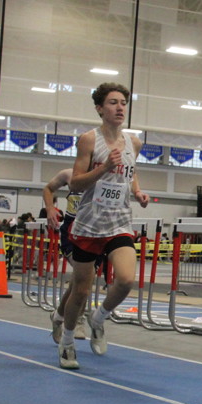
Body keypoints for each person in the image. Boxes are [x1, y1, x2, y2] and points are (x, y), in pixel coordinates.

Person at [58, 82, 150, 369]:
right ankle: (67, 342)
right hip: (89, 224)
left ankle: (98, 320)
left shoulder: (134, 142)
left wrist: (137, 191)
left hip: (119, 222)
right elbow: (75, 183)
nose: (120, 107)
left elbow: (131, 173)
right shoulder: (88, 140)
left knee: (125, 280)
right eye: (113, 102)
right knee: (81, 291)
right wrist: (104, 168)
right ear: (100, 108)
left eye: (123, 102)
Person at [43, 167, 99, 343]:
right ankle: (78, 319)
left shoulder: (105, 174)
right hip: (71, 231)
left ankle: (58, 316)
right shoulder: (68, 174)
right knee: (86, 276)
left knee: (81, 280)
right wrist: (50, 208)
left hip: (94, 231)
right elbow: (48, 188)